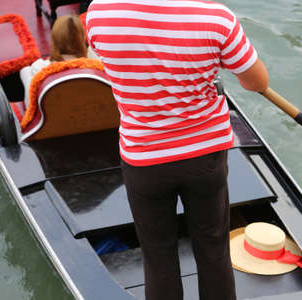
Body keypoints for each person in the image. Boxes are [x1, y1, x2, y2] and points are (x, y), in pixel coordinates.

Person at [86, 1, 269, 299]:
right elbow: (257, 82)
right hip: (205, 156)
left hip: (144, 160)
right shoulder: (216, 18)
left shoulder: (100, 11)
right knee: (213, 249)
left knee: (158, 258)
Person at [20, 14, 98, 107]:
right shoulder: (96, 65)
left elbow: (31, 105)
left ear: (54, 40)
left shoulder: (39, 68)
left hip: (55, 119)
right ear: (82, 38)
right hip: (95, 114)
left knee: (25, 71)